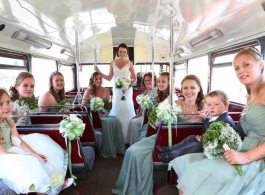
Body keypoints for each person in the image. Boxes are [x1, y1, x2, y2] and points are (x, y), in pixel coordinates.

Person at [171, 47, 265, 195]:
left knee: (196, 174)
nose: (241, 71)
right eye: (237, 68)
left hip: (257, 157)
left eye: (246, 64)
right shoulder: (251, 95)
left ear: (261, 64)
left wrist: (246, 157)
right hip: (243, 148)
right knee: (191, 169)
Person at [111, 72, 205, 195]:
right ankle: (131, 186)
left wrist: (205, 116)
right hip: (166, 139)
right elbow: (161, 120)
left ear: (199, 88)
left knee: (138, 155)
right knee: (131, 151)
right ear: (181, 89)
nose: (189, 91)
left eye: (192, 87)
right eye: (185, 88)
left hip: (186, 144)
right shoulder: (175, 103)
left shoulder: (206, 106)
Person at [0, 88, 73, 194]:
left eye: (7, 102)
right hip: (3, 156)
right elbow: (4, 152)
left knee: (41, 154)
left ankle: (52, 183)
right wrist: (27, 156)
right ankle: (44, 188)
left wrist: (35, 154)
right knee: (27, 162)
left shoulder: (9, 121)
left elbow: (19, 141)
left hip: (11, 148)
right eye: (1, 104)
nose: (6, 106)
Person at [158, 90, 236, 163]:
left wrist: (203, 141)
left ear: (226, 106)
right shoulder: (216, 116)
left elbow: (220, 140)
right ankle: (169, 149)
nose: (212, 107)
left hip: (220, 149)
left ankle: (172, 155)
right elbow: (210, 124)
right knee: (191, 138)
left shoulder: (225, 121)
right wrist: (205, 118)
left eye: (216, 104)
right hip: (209, 142)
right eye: (209, 105)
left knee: (197, 145)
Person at [94, 43, 137, 142]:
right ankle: (117, 136)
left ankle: (127, 137)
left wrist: (127, 86)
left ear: (126, 53)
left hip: (127, 90)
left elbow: (134, 79)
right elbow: (109, 78)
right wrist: (99, 71)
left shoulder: (130, 64)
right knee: (117, 108)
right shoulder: (112, 63)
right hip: (117, 90)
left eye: (124, 52)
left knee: (127, 109)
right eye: (120, 51)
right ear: (117, 52)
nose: (122, 53)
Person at [82, 72, 126, 158]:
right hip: (92, 117)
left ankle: (116, 147)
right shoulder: (88, 91)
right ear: (93, 80)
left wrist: (105, 113)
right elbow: (83, 107)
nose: (99, 80)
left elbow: (108, 106)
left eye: (100, 78)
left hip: (103, 114)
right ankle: (105, 149)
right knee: (107, 123)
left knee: (116, 120)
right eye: (96, 79)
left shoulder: (106, 90)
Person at [126, 72, 157, 145]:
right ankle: (132, 143)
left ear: (154, 81)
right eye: (146, 80)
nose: (147, 82)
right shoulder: (144, 93)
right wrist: (138, 114)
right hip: (143, 115)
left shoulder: (156, 92)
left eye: (150, 80)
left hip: (150, 117)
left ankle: (136, 143)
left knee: (135, 123)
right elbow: (142, 109)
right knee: (132, 121)